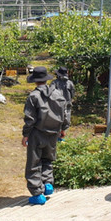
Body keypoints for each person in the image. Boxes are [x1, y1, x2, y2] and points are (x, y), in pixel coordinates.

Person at [22, 66, 69, 205]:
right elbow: (64, 113)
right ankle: (48, 184)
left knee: (34, 162)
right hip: (54, 132)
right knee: (47, 159)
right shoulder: (58, 94)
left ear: (35, 81)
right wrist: (63, 128)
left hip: (38, 133)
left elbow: (29, 118)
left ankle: (37, 194)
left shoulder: (33, 96)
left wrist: (26, 135)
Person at [50, 66, 75, 140]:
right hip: (67, 104)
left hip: (57, 104)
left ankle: (57, 136)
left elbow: (50, 92)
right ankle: (63, 134)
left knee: (56, 120)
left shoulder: (54, 83)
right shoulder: (70, 83)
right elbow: (72, 94)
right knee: (66, 119)